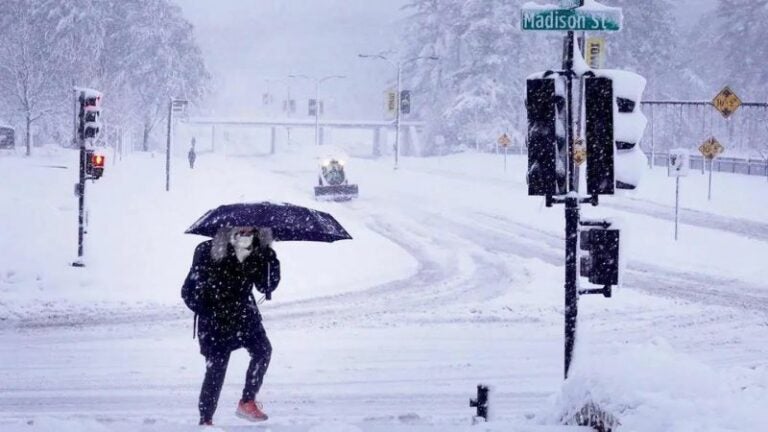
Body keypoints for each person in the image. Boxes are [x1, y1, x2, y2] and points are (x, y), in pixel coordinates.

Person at [181, 226, 280, 425]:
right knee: (216, 369)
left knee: (263, 351)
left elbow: (265, 286)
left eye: (250, 226)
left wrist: (270, 260)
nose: (245, 230)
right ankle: (206, 420)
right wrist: (209, 309)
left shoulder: (259, 252)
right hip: (216, 320)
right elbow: (188, 291)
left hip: (245, 315)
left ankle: (247, 401)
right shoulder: (208, 249)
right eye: (240, 225)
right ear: (229, 227)